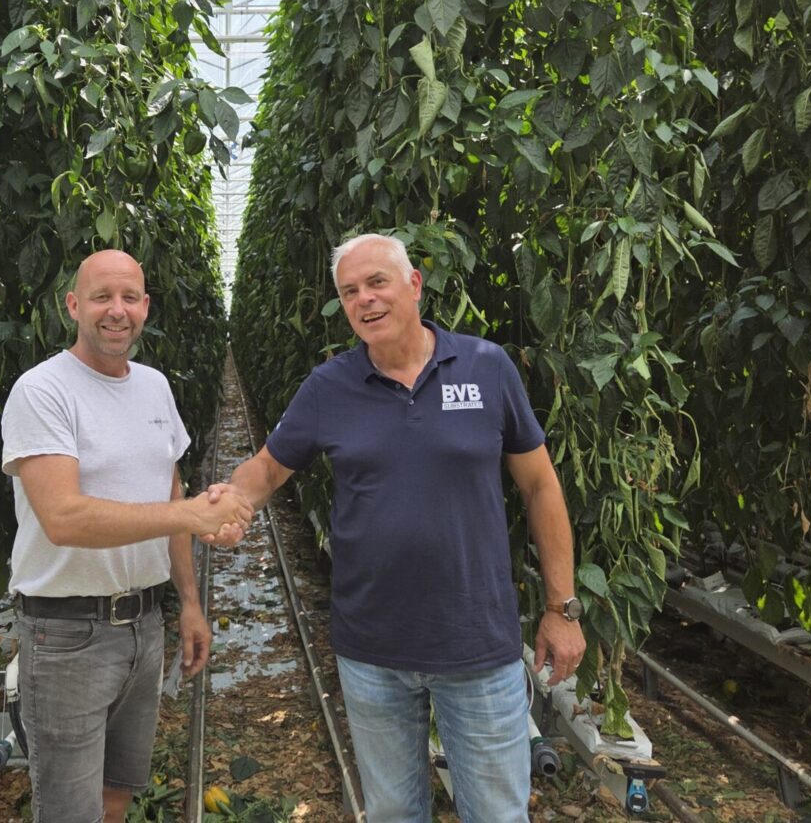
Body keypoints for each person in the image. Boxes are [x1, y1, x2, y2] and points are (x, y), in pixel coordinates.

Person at [205, 233, 585, 823]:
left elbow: (540, 486)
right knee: (392, 811)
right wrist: (230, 501)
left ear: (414, 285)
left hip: (476, 644)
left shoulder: (487, 367)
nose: (365, 300)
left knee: (496, 812)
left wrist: (562, 607)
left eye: (377, 283)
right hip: (373, 649)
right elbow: (269, 465)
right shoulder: (329, 387)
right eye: (349, 291)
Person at [1, 249, 254, 823]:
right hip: (66, 635)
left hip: (143, 623)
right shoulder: (42, 391)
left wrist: (189, 604)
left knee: (117, 791)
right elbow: (64, 518)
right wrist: (192, 515)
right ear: (73, 306)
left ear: (145, 307)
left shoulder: (155, 388)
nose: (117, 312)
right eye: (101, 297)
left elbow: (170, 494)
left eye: (129, 298)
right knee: (70, 810)